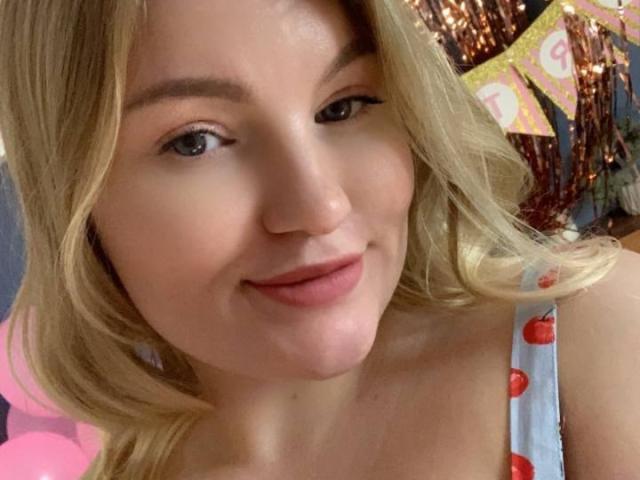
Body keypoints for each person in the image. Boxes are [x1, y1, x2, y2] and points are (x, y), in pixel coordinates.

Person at [0, 1, 638, 478]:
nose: (319, 207)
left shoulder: (590, 343)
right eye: (195, 141)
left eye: (344, 106)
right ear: (78, 201)